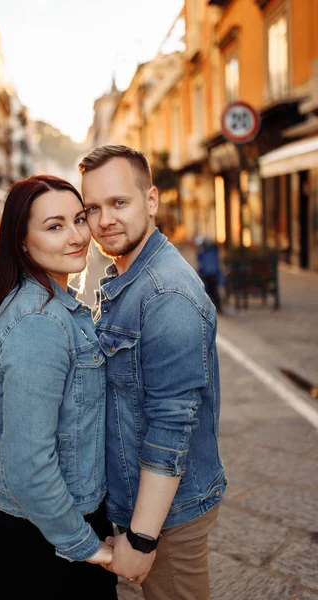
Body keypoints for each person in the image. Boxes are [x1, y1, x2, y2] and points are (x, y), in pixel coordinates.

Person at [79, 145, 226, 600]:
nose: (105, 220)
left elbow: (171, 426)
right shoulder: (128, 276)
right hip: (142, 503)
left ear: (151, 200)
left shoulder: (166, 294)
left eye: (119, 202)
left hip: (170, 516)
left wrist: (143, 539)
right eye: (93, 208)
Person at [0, 175, 117, 600]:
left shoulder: (54, 304)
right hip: (43, 538)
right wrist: (86, 546)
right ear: (22, 241)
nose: (77, 237)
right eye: (54, 226)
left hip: (45, 522)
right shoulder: (39, 323)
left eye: (79, 219)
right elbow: (28, 464)